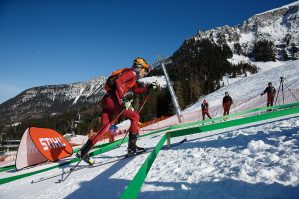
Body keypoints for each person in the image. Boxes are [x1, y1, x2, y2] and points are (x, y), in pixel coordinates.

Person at [76, 57, 156, 165]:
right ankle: (132, 147)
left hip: (106, 100)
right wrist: (123, 99)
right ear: (140, 67)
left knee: (103, 129)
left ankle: (83, 152)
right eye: (145, 70)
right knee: (135, 116)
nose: (145, 73)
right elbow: (119, 81)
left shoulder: (133, 77)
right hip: (113, 100)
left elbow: (136, 90)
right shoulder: (132, 72)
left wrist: (149, 87)